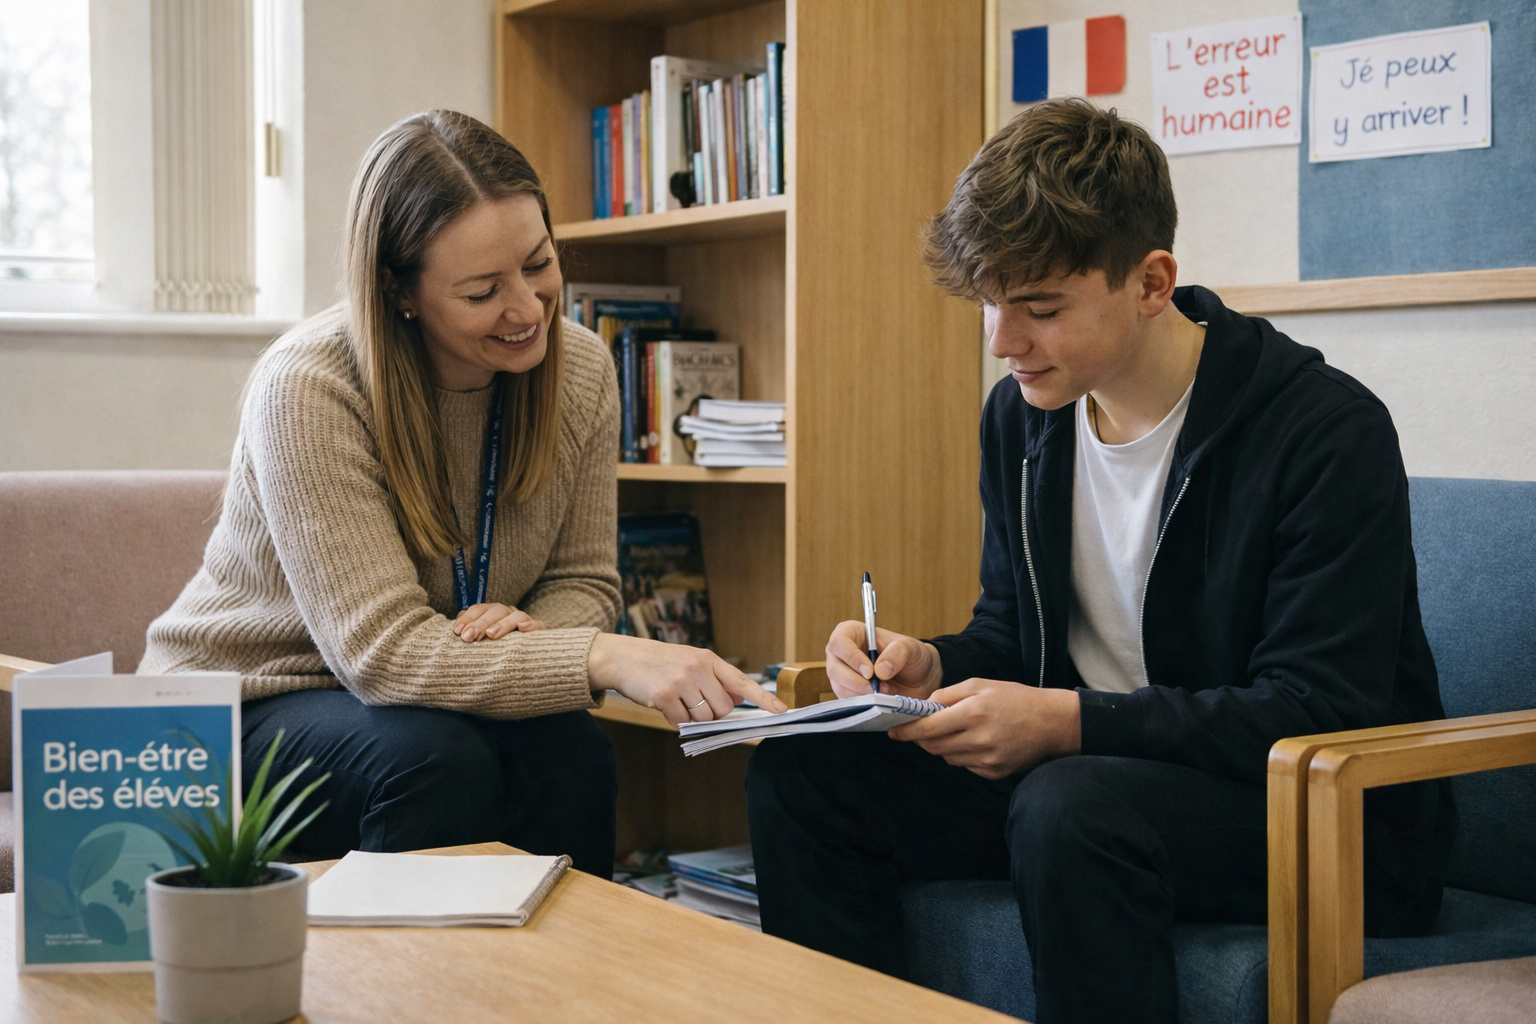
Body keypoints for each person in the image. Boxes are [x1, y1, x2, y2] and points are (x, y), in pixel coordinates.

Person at [744, 98, 1455, 1023]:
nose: (1003, 341)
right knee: (805, 771)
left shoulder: (1323, 431)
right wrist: (931, 665)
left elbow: (1322, 708)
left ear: (1152, 282)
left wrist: (1071, 725)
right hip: (1091, 784)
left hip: (1314, 820)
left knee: (1070, 805)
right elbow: (1015, 627)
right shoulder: (1027, 416)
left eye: (1039, 308)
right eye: (992, 304)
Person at [141, 110, 783, 877]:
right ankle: (403, 998)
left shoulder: (579, 368)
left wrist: (542, 634)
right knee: (433, 760)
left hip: (433, 696)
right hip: (241, 705)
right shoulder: (308, 387)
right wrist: (599, 657)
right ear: (399, 292)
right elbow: (380, 655)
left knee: (572, 750)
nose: (528, 308)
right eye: (482, 292)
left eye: (539, 264)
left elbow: (581, 581)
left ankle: (564, 996)